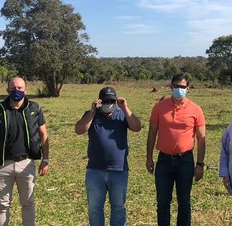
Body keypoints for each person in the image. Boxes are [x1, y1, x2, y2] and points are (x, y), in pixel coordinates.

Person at [0, 77, 49, 226]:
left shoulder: (34, 108)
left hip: (26, 164)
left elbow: (44, 134)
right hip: (3, 165)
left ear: (26, 90)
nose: (16, 91)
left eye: (19, 88)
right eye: (13, 88)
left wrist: (45, 159)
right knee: (3, 205)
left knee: (28, 203)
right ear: (7, 90)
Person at [75, 86, 142, 226]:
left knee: (118, 208)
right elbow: (79, 129)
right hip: (95, 170)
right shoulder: (91, 115)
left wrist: (125, 107)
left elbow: (137, 127)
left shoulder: (122, 114)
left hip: (119, 170)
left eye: (112, 100)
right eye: (105, 101)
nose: (109, 104)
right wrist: (93, 111)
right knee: (94, 209)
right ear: (99, 102)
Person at [146, 73, 206, 226]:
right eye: (176, 86)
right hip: (164, 160)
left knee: (184, 202)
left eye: (182, 87)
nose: (179, 89)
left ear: (188, 89)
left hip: (185, 160)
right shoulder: (159, 107)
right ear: (171, 87)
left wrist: (199, 164)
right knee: (163, 202)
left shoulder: (196, 109)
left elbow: (201, 139)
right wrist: (148, 158)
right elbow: (152, 133)